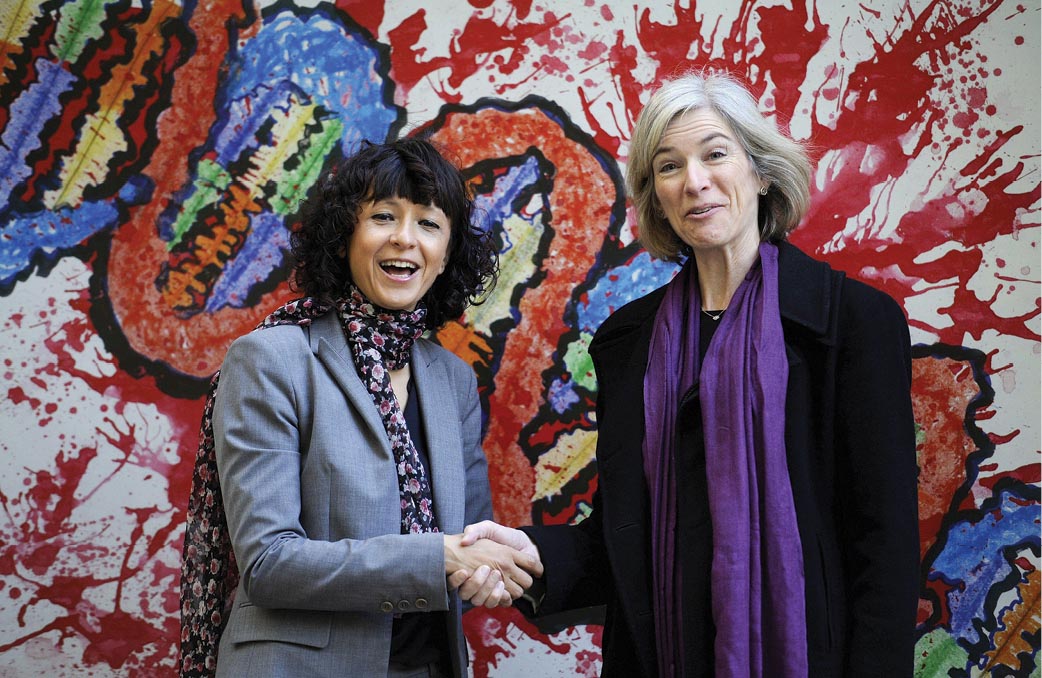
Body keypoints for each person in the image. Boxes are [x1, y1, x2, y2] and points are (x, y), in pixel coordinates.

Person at [456, 71, 919, 677]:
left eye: (715, 154)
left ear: (760, 171)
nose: (695, 182)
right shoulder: (628, 343)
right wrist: (535, 553)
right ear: (657, 198)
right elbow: (627, 533)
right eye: (669, 167)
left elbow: (883, 547)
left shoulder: (853, 323)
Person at [200, 137, 541, 678]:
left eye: (429, 224)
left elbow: (469, 542)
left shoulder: (452, 380)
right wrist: (443, 557)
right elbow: (268, 564)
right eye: (384, 216)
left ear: (447, 252)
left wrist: (488, 571)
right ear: (345, 238)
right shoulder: (272, 359)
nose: (405, 239)